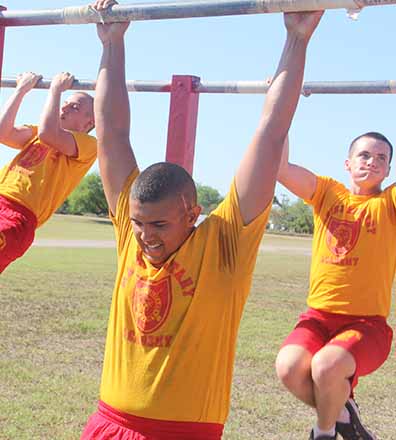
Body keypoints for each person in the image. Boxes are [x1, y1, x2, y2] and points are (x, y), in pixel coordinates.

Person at [81, 1, 323, 438]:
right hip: (109, 423)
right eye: (138, 223)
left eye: (159, 226)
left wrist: (297, 38)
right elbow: (111, 131)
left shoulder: (225, 243)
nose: (144, 237)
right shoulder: (129, 232)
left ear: (192, 213)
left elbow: (270, 133)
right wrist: (112, 43)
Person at [276, 132, 394, 439]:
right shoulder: (328, 192)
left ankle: (324, 431)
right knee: (288, 368)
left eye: (382, 158)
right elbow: (281, 167)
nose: (373, 162)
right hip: (318, 317)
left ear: (389, 170)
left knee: (326, 367)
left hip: (366, 325)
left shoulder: (388, 203)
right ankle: (343, 411)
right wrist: (283, 108)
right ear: (348, 162)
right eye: (365, 155)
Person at [0, 71, 97, 272]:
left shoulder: (88, 146)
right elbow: (3, 132)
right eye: (66, 102)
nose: (65, 106)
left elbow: (48, 133)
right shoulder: (36, 133)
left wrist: (55, 90)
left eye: (75, 107)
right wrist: (21, 90)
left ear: (89, 123)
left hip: (17, 217)